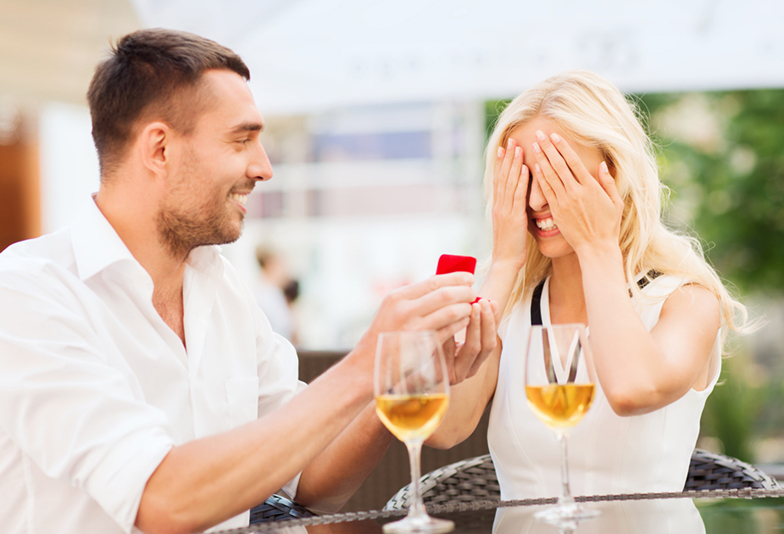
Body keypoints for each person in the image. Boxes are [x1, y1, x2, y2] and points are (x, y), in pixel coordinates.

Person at [0, 29, 498, 534]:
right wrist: (361, 365)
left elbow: (311, 482)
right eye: (241, 139)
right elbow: (161, 502)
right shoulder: (28, 295)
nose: (263, 168)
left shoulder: (222, 289)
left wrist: (390, 382)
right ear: (159, 149)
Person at [428, 71, 747, 499]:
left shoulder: (685, 301)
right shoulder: (509, 305)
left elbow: (633, 390)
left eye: (558, 176)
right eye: (522, 179)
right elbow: (443, 427)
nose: (538, 201)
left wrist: (598, 245)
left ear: (614, 175)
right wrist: (504, 263)